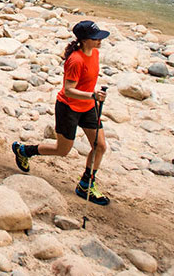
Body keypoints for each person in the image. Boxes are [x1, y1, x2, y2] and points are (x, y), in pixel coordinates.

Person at [10, 20, 111, 205]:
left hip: (88, 107)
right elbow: (68, 90)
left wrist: (92, 98)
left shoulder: (95, 54)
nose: (99, 41)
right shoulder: (75, 60)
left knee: (100, 146)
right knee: (62, 150)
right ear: (85, 40)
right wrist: (92, 95)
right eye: (96, 38)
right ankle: (24, 150)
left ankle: (86, 184)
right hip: (69, 108)